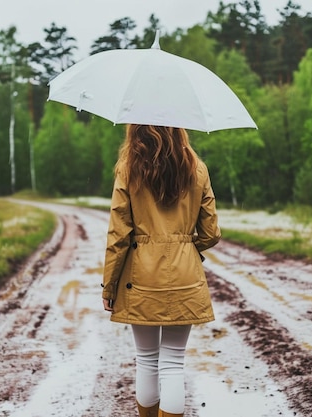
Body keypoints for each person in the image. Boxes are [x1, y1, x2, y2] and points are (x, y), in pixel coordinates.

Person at [101, 124, 221, 417]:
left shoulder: (129, 169)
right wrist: (185, 248)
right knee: (173, 362)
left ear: (137, 128)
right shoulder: (197, 168)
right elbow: (211, 232)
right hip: (184, 275)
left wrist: (109, 285)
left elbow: (119, 234)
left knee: (146, 359)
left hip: (140, 277)